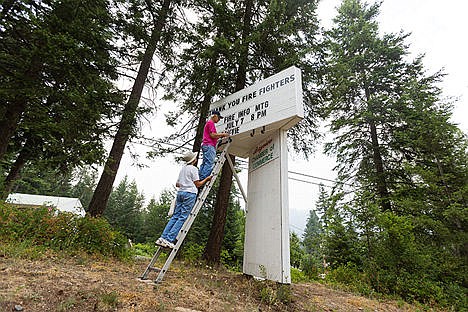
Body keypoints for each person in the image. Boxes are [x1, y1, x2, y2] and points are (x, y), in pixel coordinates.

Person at [156, 151, 212, 248]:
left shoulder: (183, 169)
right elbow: (198, 184)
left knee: (175, 216)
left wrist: (185, 183)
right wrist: (206, 179)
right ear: (193, 160)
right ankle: (169, 239)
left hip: (180, 193)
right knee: (182, 217)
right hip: (189, 194)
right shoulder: (193, 169)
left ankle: (162, 238)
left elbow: (177, 184)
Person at [199, 110, 229, 180]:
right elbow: (213, 135)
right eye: (218, 118)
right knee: (209, 163)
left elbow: (213, 135)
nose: (218, 120)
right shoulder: (211, 123)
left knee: (205, 163)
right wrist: (223, 134)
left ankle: (200, 178)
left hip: (206, 145)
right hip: (209, 145)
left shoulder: (208, 123)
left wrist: (220, 135)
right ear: (215, 116)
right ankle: (203, 179)